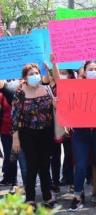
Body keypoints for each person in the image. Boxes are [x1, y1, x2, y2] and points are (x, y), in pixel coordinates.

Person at [58, 61, 96, 212]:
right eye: (91, 69)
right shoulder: (75, 87)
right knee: (81, 166)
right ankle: (77, 197)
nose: (94, 71)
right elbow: (65, 100)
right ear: (84, 71)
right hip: (81, 133)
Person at [11, 64, 56, 209]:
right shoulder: (19, 93)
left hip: (46, 132)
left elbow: (54, 109)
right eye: (31, 74)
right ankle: (30, 198)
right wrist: (15, 138)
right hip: (27, 133)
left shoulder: (47, 89)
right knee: (32, 165)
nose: (34, 75)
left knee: (44, 164)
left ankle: (47, 196)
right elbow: (15, 117)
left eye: (36, 73)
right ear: (24, 77)